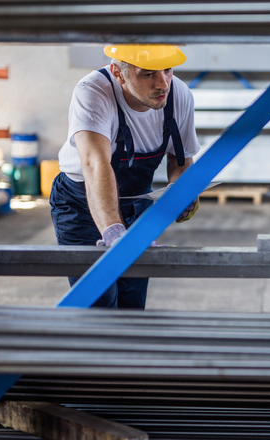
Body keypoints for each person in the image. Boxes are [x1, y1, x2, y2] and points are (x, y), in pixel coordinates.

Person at [50, 44, 200, 309]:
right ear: (119, 73)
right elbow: (95, 163)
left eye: (167, 70)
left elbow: (180, 159)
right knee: (98, 303)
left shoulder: (180, 95)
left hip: (137, 202)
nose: (163, 83)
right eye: (148, 74)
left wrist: (181, 190)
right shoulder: (93, 91)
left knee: (132, 304)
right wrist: (113, 232)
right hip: (81, 205)